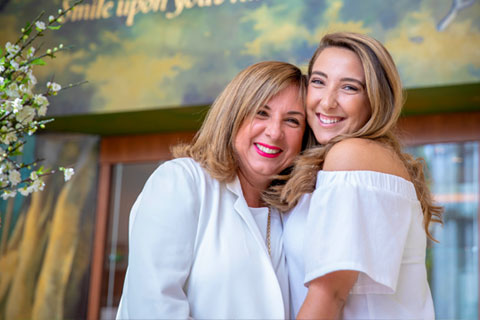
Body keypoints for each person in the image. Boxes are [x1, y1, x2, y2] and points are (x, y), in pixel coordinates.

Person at [265, 32, 443, 319]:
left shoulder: (352, 155)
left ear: (375, 100)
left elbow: (330, 297)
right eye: (319, 82)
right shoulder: (331, 165)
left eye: (349, 87)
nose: (327, 102)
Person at [116, 61, 313, 319]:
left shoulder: (291, 212)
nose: (275, 132)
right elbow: (154, 306)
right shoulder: (181, 182)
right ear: (233, 115)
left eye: (292, 121)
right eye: (261, 113)